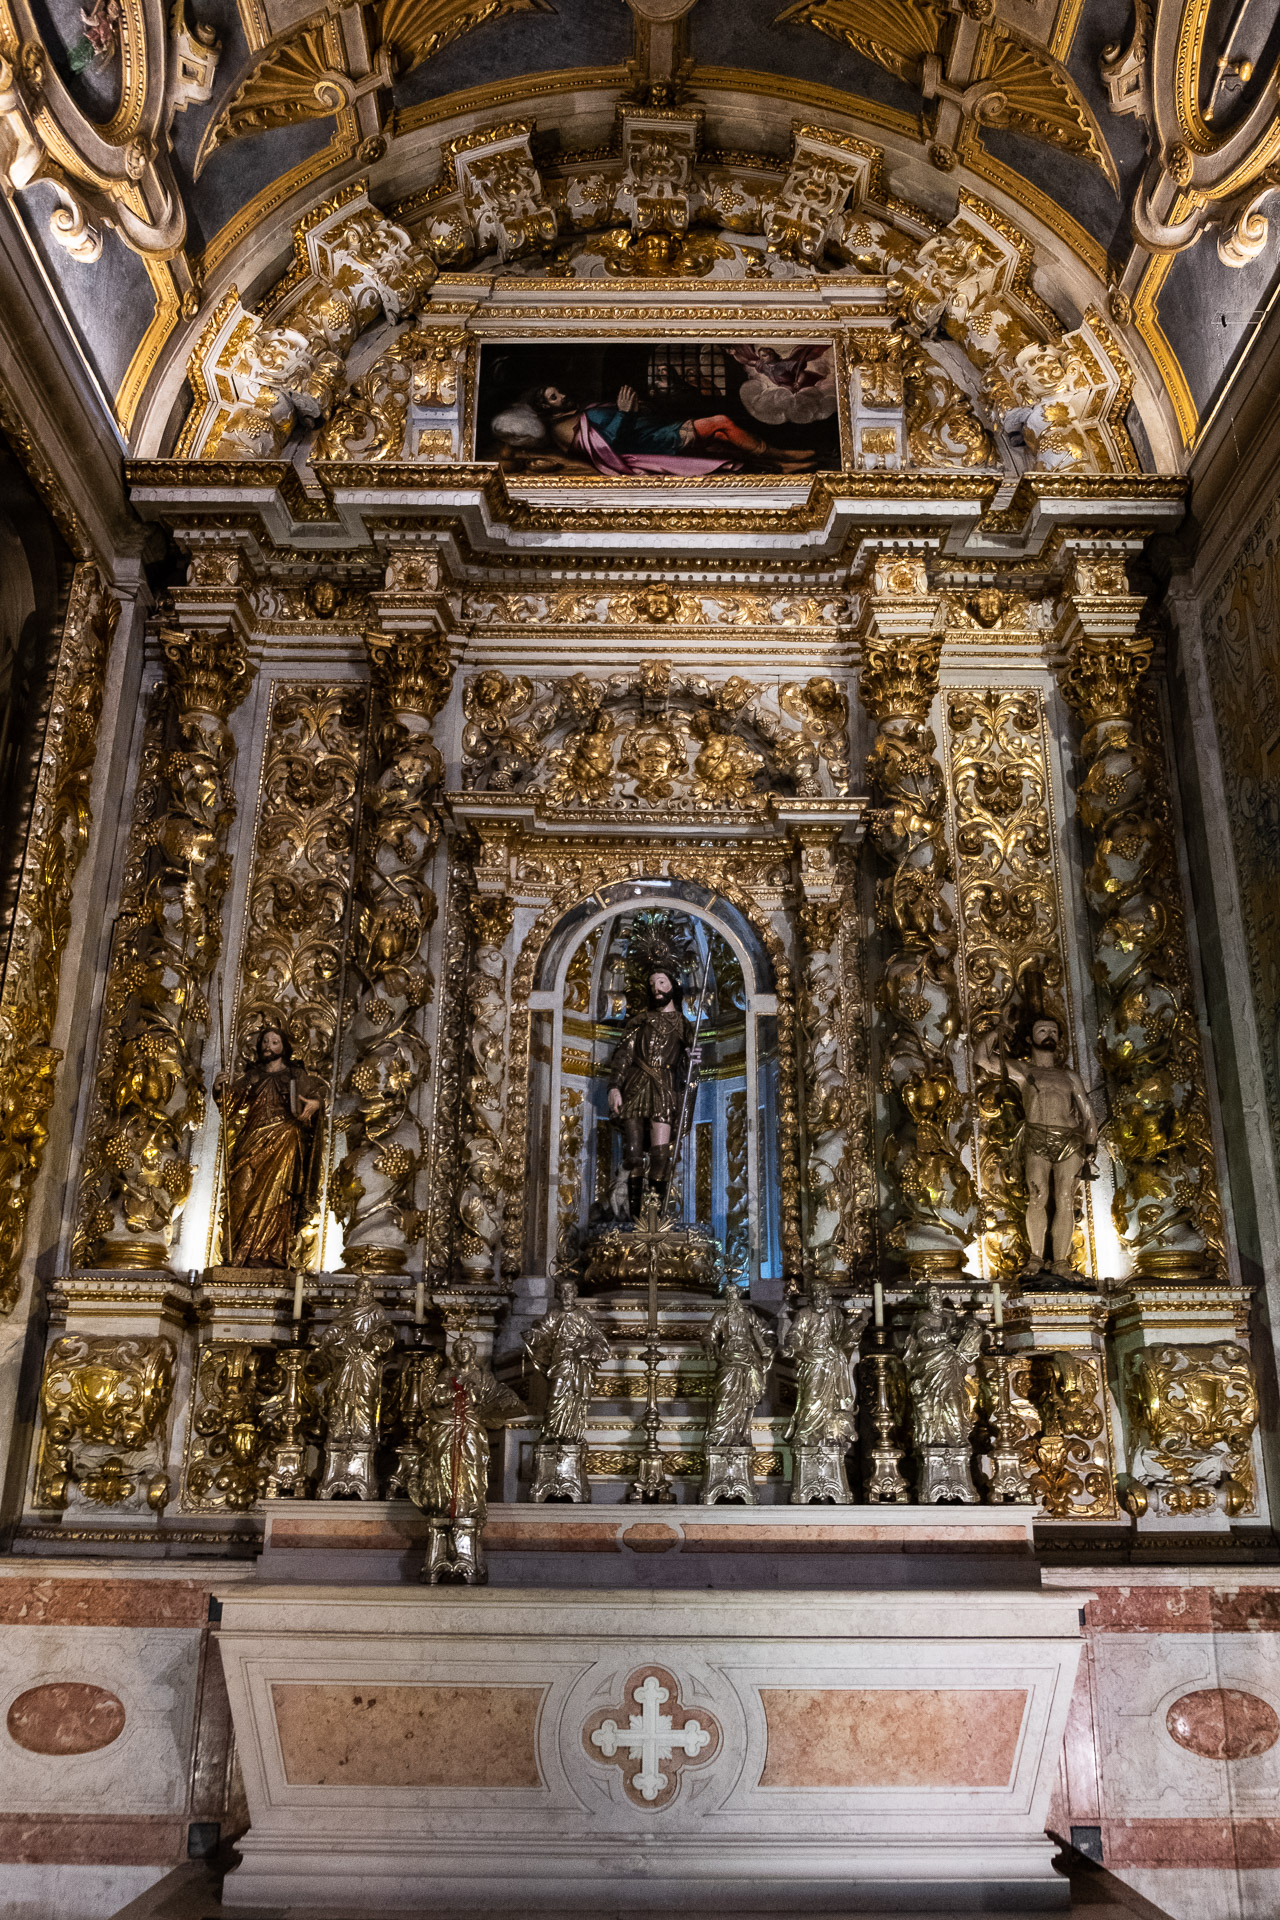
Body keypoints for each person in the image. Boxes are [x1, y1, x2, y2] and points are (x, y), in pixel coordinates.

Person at [976, 1014, 1099, 1277]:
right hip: (1036, 1137)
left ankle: (1062, 1262)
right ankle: (1035, 1257)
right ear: (1031, 1038)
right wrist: (997, 1031)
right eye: (1042, 1030)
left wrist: (1091, 1143)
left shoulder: (1070, 1076)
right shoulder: (1024, 1071)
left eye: (1053, 1031)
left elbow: (1087, 1113)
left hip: (1069, 1139)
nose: (1049, 1035)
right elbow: (982, 1059)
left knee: (1066, 1198)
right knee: (1038, 1196)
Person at [515, 382, 815, 476]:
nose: (562, 396)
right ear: (545, 407)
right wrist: (624, 414)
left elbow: (623, 418)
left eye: (558, 392)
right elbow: (607, 449)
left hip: (656, 432)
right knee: (721, 422)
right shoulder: (563, 429)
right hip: (651, 447)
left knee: (723, 437)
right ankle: (782, 455)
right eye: (553, 397)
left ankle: (781, 462)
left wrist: (638, 409)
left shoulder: (580, 410)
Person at [215, 1025, 325, 1268]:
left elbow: (317, 1094)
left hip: (285, 1141)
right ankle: (236, 1251)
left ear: (284, 1047)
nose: (268, 1046)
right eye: (265, 1042)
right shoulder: (253, 1076)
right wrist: (221, 1088)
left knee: (278, 1195)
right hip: (252, 1141)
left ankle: (269, 1253)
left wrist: (316, 1104)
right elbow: (230, 1104)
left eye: (274, 1042)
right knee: (240, 1194)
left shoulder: (296, 1075)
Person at [607, 963, 702, 1217]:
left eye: (661, 982)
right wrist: (615, 1087)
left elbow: (686, 1072)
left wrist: (691, 1060)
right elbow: (623, 1056)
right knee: (633, 1154)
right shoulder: (639, 1022)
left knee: (661, 1155)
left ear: (672, 985)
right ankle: (635, 1218)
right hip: (636, 1085)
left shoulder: (684, 1026)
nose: (656, 989)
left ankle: (655, 1218)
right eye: (652, 985)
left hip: (664, 1088)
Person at [527, 1277, 611, 1444]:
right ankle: (551, 1431)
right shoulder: (553, 1314)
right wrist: (533, 1335)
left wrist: (587, 1350)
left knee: (575, 1396)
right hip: (559, 1359)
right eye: (563, 1291)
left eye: (569, 1291)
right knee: (555, 1394)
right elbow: (543, 1332)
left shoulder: (582, 1315)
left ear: (575, 1293)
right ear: (558, 1294)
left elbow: (599, 1339)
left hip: (577, 1362)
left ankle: (570, 1434)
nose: (566, 1294)